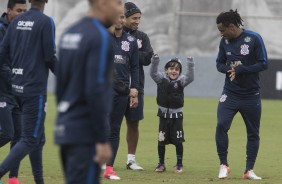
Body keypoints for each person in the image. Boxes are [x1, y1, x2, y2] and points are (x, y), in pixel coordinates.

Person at [55, 0, 122, 183]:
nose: (121, 9)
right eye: (118, 3)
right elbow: (96, 89)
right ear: (102, 3)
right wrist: (101, 139)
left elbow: (60, 86)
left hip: (66, 130)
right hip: (86, 134)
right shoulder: (100, 37)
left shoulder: (70, 32)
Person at [0, 0, 57, 183]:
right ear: (46, 1)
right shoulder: (46, 21)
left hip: (16, 89)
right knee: (30, 139)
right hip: (34, 91)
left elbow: (3, 53)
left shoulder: (16, 21)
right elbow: (50, 57)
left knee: (38, 139)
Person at [215, 9, 268, 180]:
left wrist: (241, 70)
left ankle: (249, 170)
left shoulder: (253, 38)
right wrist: (228, 69)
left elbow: (263, 63)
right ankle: (224, 165)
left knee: (253, 133)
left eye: (222, 30)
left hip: (251, 95)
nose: (221, 34)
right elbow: (219, 63)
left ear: (232, 26)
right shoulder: (224, 42)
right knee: (221, 125)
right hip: (230, 93)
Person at [103, 9, 139, 180]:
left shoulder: (131, 41)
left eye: (122, 17)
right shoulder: (102, 38)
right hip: (102, 91)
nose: (120, 20)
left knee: (115, 129)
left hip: (122, 92)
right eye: (116, 16)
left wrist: (134, 90)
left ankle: (109, 166)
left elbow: (134, 67)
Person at [150, 54, 194, 173]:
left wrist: (190, 63)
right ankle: (161, 164)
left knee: (178, 141)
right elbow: (153, 73)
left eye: (176, 69)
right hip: (163, 116)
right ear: (166, 70)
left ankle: (179, 164)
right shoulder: (161, 79)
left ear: (179, 71)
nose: (173, 71)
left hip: (177, 117)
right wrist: (155, 61)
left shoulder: (181, 81)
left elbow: (190, 77)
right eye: (171, 68)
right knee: (161, 140)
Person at [123, 2, 154, 170]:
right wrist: (136, 55)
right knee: (109, 123)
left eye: (139, 18)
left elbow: (148, 58)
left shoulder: (142, 37)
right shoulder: (115, 34)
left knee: (133, 123)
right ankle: (104, 159)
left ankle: (131, 160)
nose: (137, 21)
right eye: (134, 18)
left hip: (136, 86)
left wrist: (129, 55)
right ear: (124, 17)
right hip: (116, 86)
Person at [0, 1, 26, 183]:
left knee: (19, 136)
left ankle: (13, 178)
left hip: (19, 92)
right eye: (18, 11)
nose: (21, 14)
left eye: (24, 11)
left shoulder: (23, 31)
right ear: (8, 10)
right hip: (3, 90)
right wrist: (17, 81)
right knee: (7, 133)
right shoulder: (1, 30)